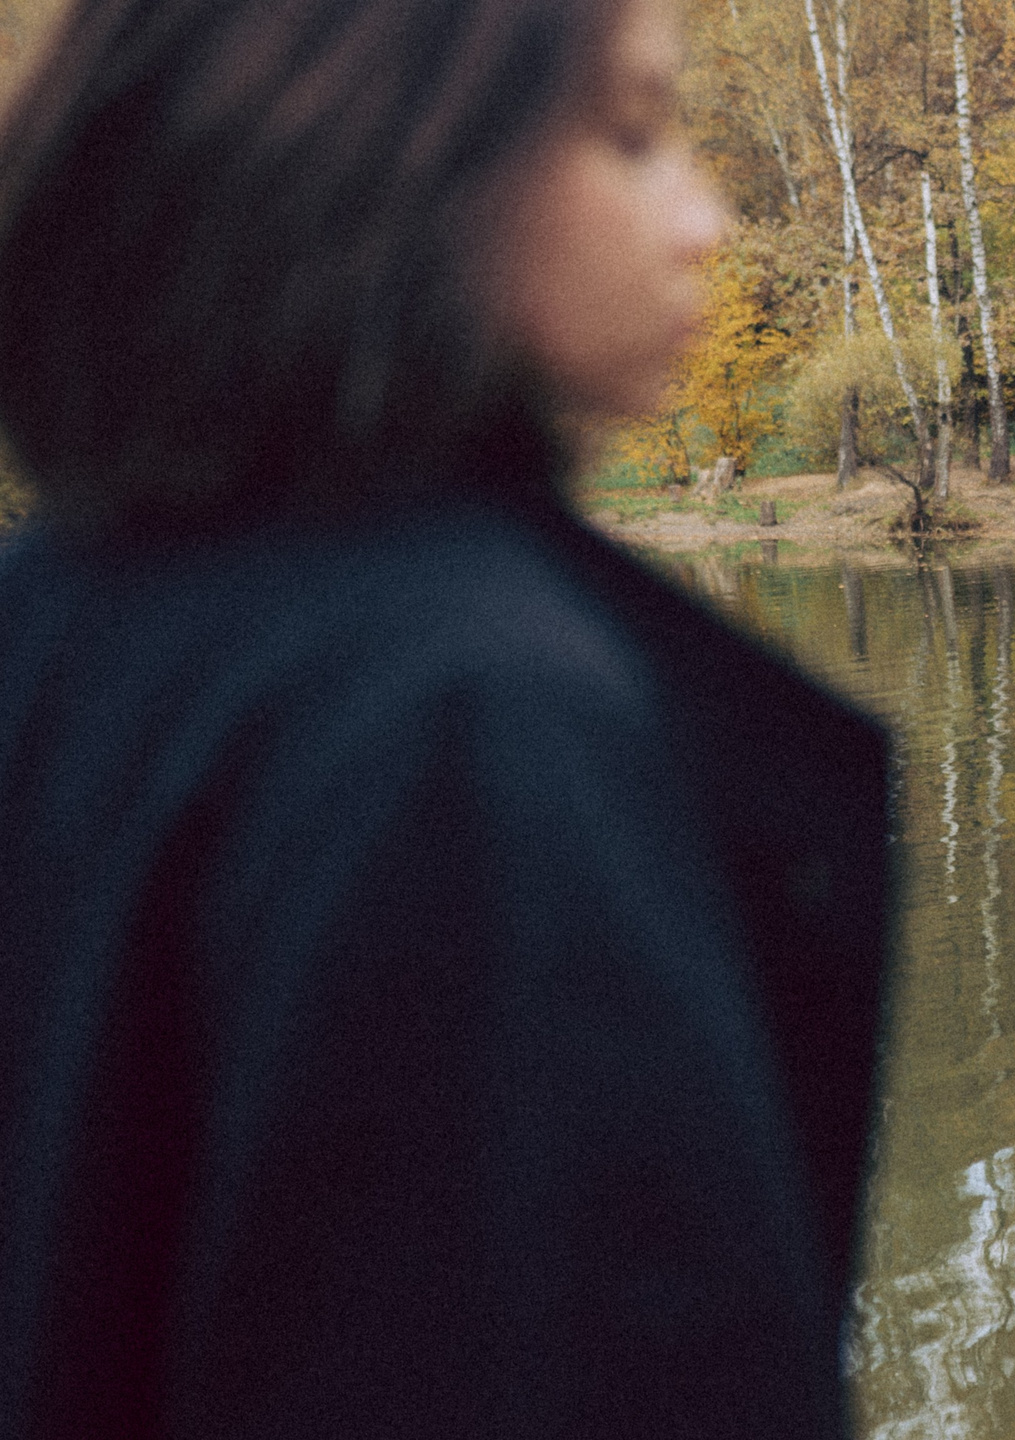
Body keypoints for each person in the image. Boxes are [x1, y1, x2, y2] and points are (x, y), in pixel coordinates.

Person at [0, 0, 894, 1436]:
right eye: (631, 135)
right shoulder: (472, 722)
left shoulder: (53, 619)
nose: (705, 221)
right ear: (395, 149)